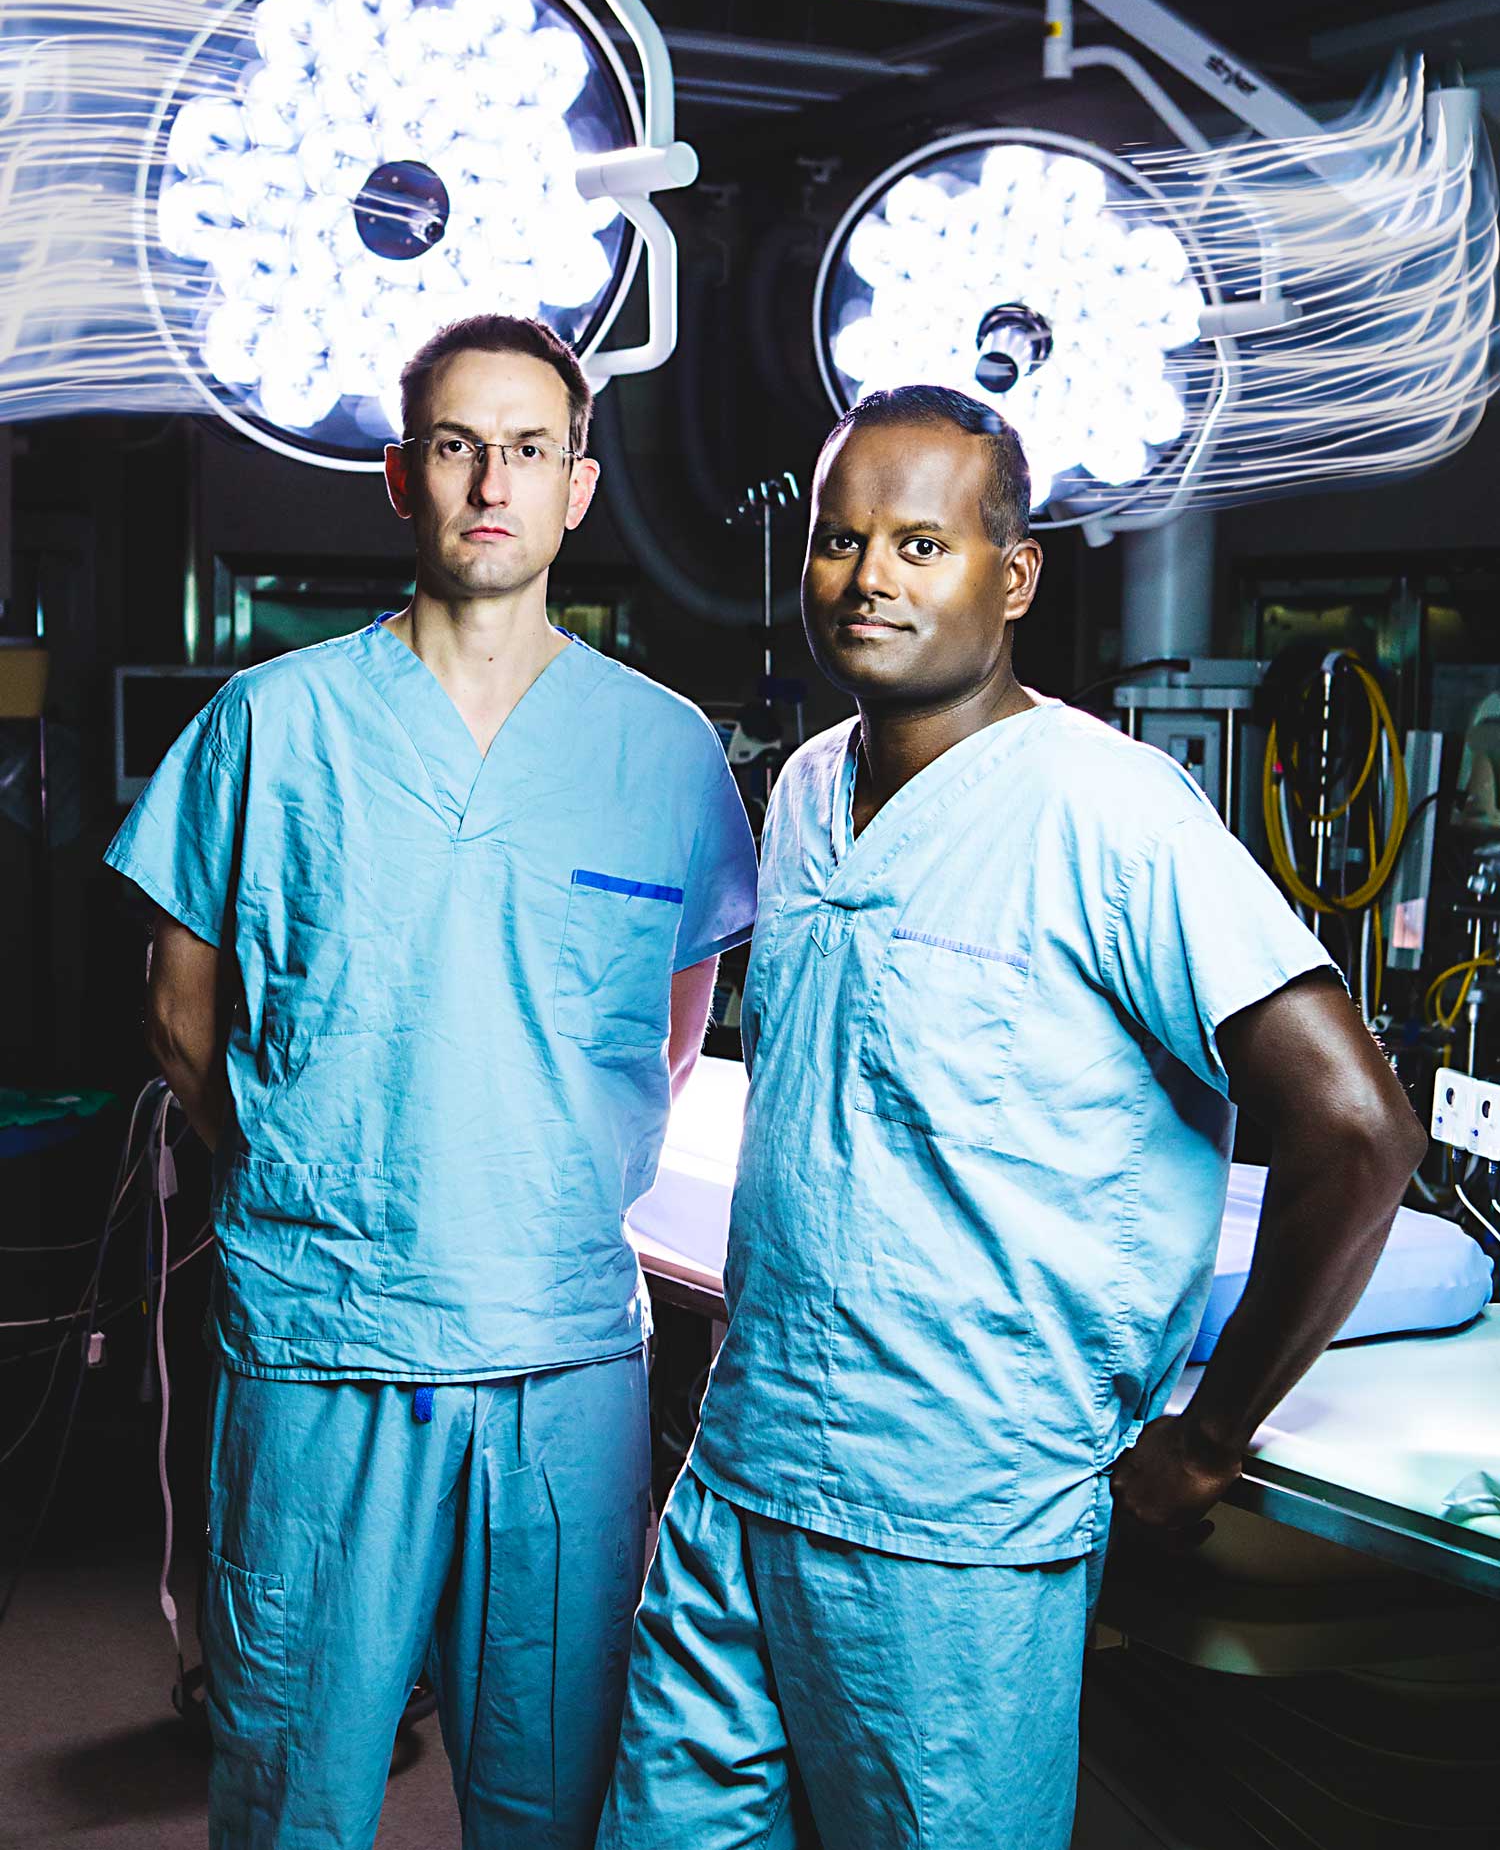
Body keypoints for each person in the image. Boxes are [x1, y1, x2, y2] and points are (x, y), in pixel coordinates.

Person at [598, 384, 1428, 1850]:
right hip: (741, 1477)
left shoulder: (1114, 815)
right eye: (842, 541)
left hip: (952, 1527)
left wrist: (1213, 1435)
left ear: (1015, 575)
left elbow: (1357, 1130)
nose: (869, 579)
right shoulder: (801, 792)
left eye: (923, 545)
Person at [106, 314, 758, 1850]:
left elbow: (669, 1039)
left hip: (560, 1368)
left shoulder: (661, 756)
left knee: (554, 1793)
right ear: (402, 475)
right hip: (326, 1355)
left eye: (529, 450)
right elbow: (183, 1022)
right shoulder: (270, 729)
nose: (492, 481)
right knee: (294, 1791)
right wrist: (322, 1175)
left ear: (578, 488)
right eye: (459, 445)